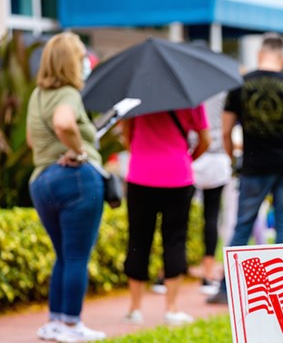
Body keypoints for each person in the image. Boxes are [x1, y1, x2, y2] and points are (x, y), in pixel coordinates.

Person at [208, 32, 283, 304]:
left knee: (242, 227)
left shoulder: (239, 85)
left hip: (253, 166)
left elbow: (225, 131)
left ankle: (227, 288)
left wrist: (232, 157)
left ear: (260, 54)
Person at [27, 32, 106, 342]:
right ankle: (72, 325)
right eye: (81, 57)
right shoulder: (68, 95)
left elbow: (34, 139)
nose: (86, 63)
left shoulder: (37, 95)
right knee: (76, 257)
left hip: (42, 180)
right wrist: (80, 152)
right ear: (70, 63)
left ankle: (56, 322)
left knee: (63, 255)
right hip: (75, 179)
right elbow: (63, 123)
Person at [120, 103, 210, 325]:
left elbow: (126, 135)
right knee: (175, 240)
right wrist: (186, 158)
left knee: (138, 239)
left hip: (140, 175)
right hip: (178, 176)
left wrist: (143, 154)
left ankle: (134, 308)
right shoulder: (190, 97)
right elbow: (205, 139)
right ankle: (172, 308)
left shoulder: (136, 97)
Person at [191, 92, 232, 295]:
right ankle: (207, 272)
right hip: (216, 154)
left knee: (178, 217)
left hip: (190, 153)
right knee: (212, 215)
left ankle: (167, 272)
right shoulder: (222, 90)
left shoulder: (185, 87)